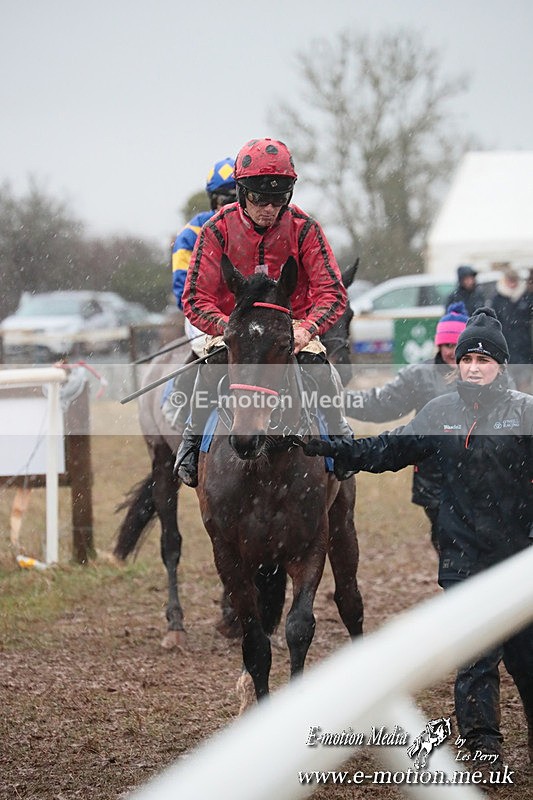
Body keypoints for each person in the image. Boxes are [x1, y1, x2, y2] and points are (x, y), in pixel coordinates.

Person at [304, 307, 533, 765]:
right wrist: (326, 444)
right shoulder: (440, 411)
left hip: (519, 560)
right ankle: (483, 749)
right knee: (475, 659)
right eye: (467, 359)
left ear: (501, 366)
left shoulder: (524, 412)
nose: (473, 367)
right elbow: (388, 448)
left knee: (527, 663)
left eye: (484, 360)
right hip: (463, 556)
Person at [175, 137, 354, 487]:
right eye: (259, 198)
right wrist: (228, 327)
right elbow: (195, 298)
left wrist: (309, 328)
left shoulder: (306, 229)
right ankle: (192, 442)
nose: (268, 209)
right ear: (242, 192)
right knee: (205, 370)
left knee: (321, 368)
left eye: (278, 199)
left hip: (293, 328)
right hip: (234, 327)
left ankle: (340, 433)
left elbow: (332, 292)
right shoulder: (215, 230)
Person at [344, 301, 469, 552]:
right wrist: (336, 400)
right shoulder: (419, 375)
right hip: (435, 478)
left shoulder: (488, 372)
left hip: (480, 476)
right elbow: (381, 404)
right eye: (446, 345)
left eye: (457, 346)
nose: (451, 352)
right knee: (448, 543)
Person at [162, 158, 237, 429]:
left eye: (236, 198)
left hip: (245, 314)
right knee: (211, 352)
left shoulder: (258, 230)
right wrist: (217, 316)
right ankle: (180, 407)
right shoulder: (191, 233)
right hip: (203, 314)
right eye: (222, 199)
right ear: (212, 200)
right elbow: (184, 288)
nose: (227, 207)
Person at [490, 265, 533, 393]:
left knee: (524, 386)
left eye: (514, 280)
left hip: (524, 349)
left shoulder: (526, 298)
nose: (512, 284)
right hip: (505, 349)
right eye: (510, 280)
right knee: (507, 386)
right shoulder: (498, 300)